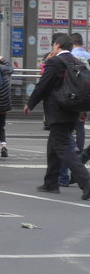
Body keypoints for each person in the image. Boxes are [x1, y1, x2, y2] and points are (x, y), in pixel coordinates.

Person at [25, 33, 90, 199]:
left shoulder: (55, 62)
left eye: (54, 45)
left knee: (63, 148)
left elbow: (43, 85)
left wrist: (30, 104)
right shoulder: (75, 61)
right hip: (72, 110)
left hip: (57, 111)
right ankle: (51, 182)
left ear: (57, 46)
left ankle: (86, 182)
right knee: (53, 146)